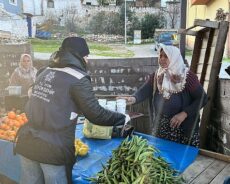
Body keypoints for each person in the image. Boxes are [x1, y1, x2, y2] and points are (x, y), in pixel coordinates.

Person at [14, 37, 130, 184]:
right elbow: (96, 114)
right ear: (79, 56)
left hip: (27, 142)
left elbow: (40, 96)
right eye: (86, 56)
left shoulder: (45, 71)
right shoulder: (78, 78)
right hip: (52, 149)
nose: (87, 60)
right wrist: (122, 118)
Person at [119, 44, 208, 147]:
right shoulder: (159, 75)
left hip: (183, 127)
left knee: (182, 158)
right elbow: (145, 90)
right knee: (161, 156)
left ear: (174, 58)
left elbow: (202, 98)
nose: (162, 59)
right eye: (160, 56)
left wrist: (184, 114)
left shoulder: (186, 77)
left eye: (166, 56)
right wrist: (133, 98)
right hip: (162, 126)